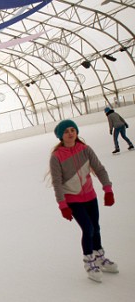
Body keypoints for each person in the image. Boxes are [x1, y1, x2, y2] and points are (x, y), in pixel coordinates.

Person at [49, 119, 118, 282]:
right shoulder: (56, 157)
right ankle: (89, 263)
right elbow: (57, 182)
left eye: (73, 130)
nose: (70, 133)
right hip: (73, 199)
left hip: (90, 196)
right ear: (61, 136)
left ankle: (100, 257)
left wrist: (107, 189)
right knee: (88, 229)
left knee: (96, 228)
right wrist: (62, 205)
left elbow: (100, 169)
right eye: (66, 131)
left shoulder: (85, 150)